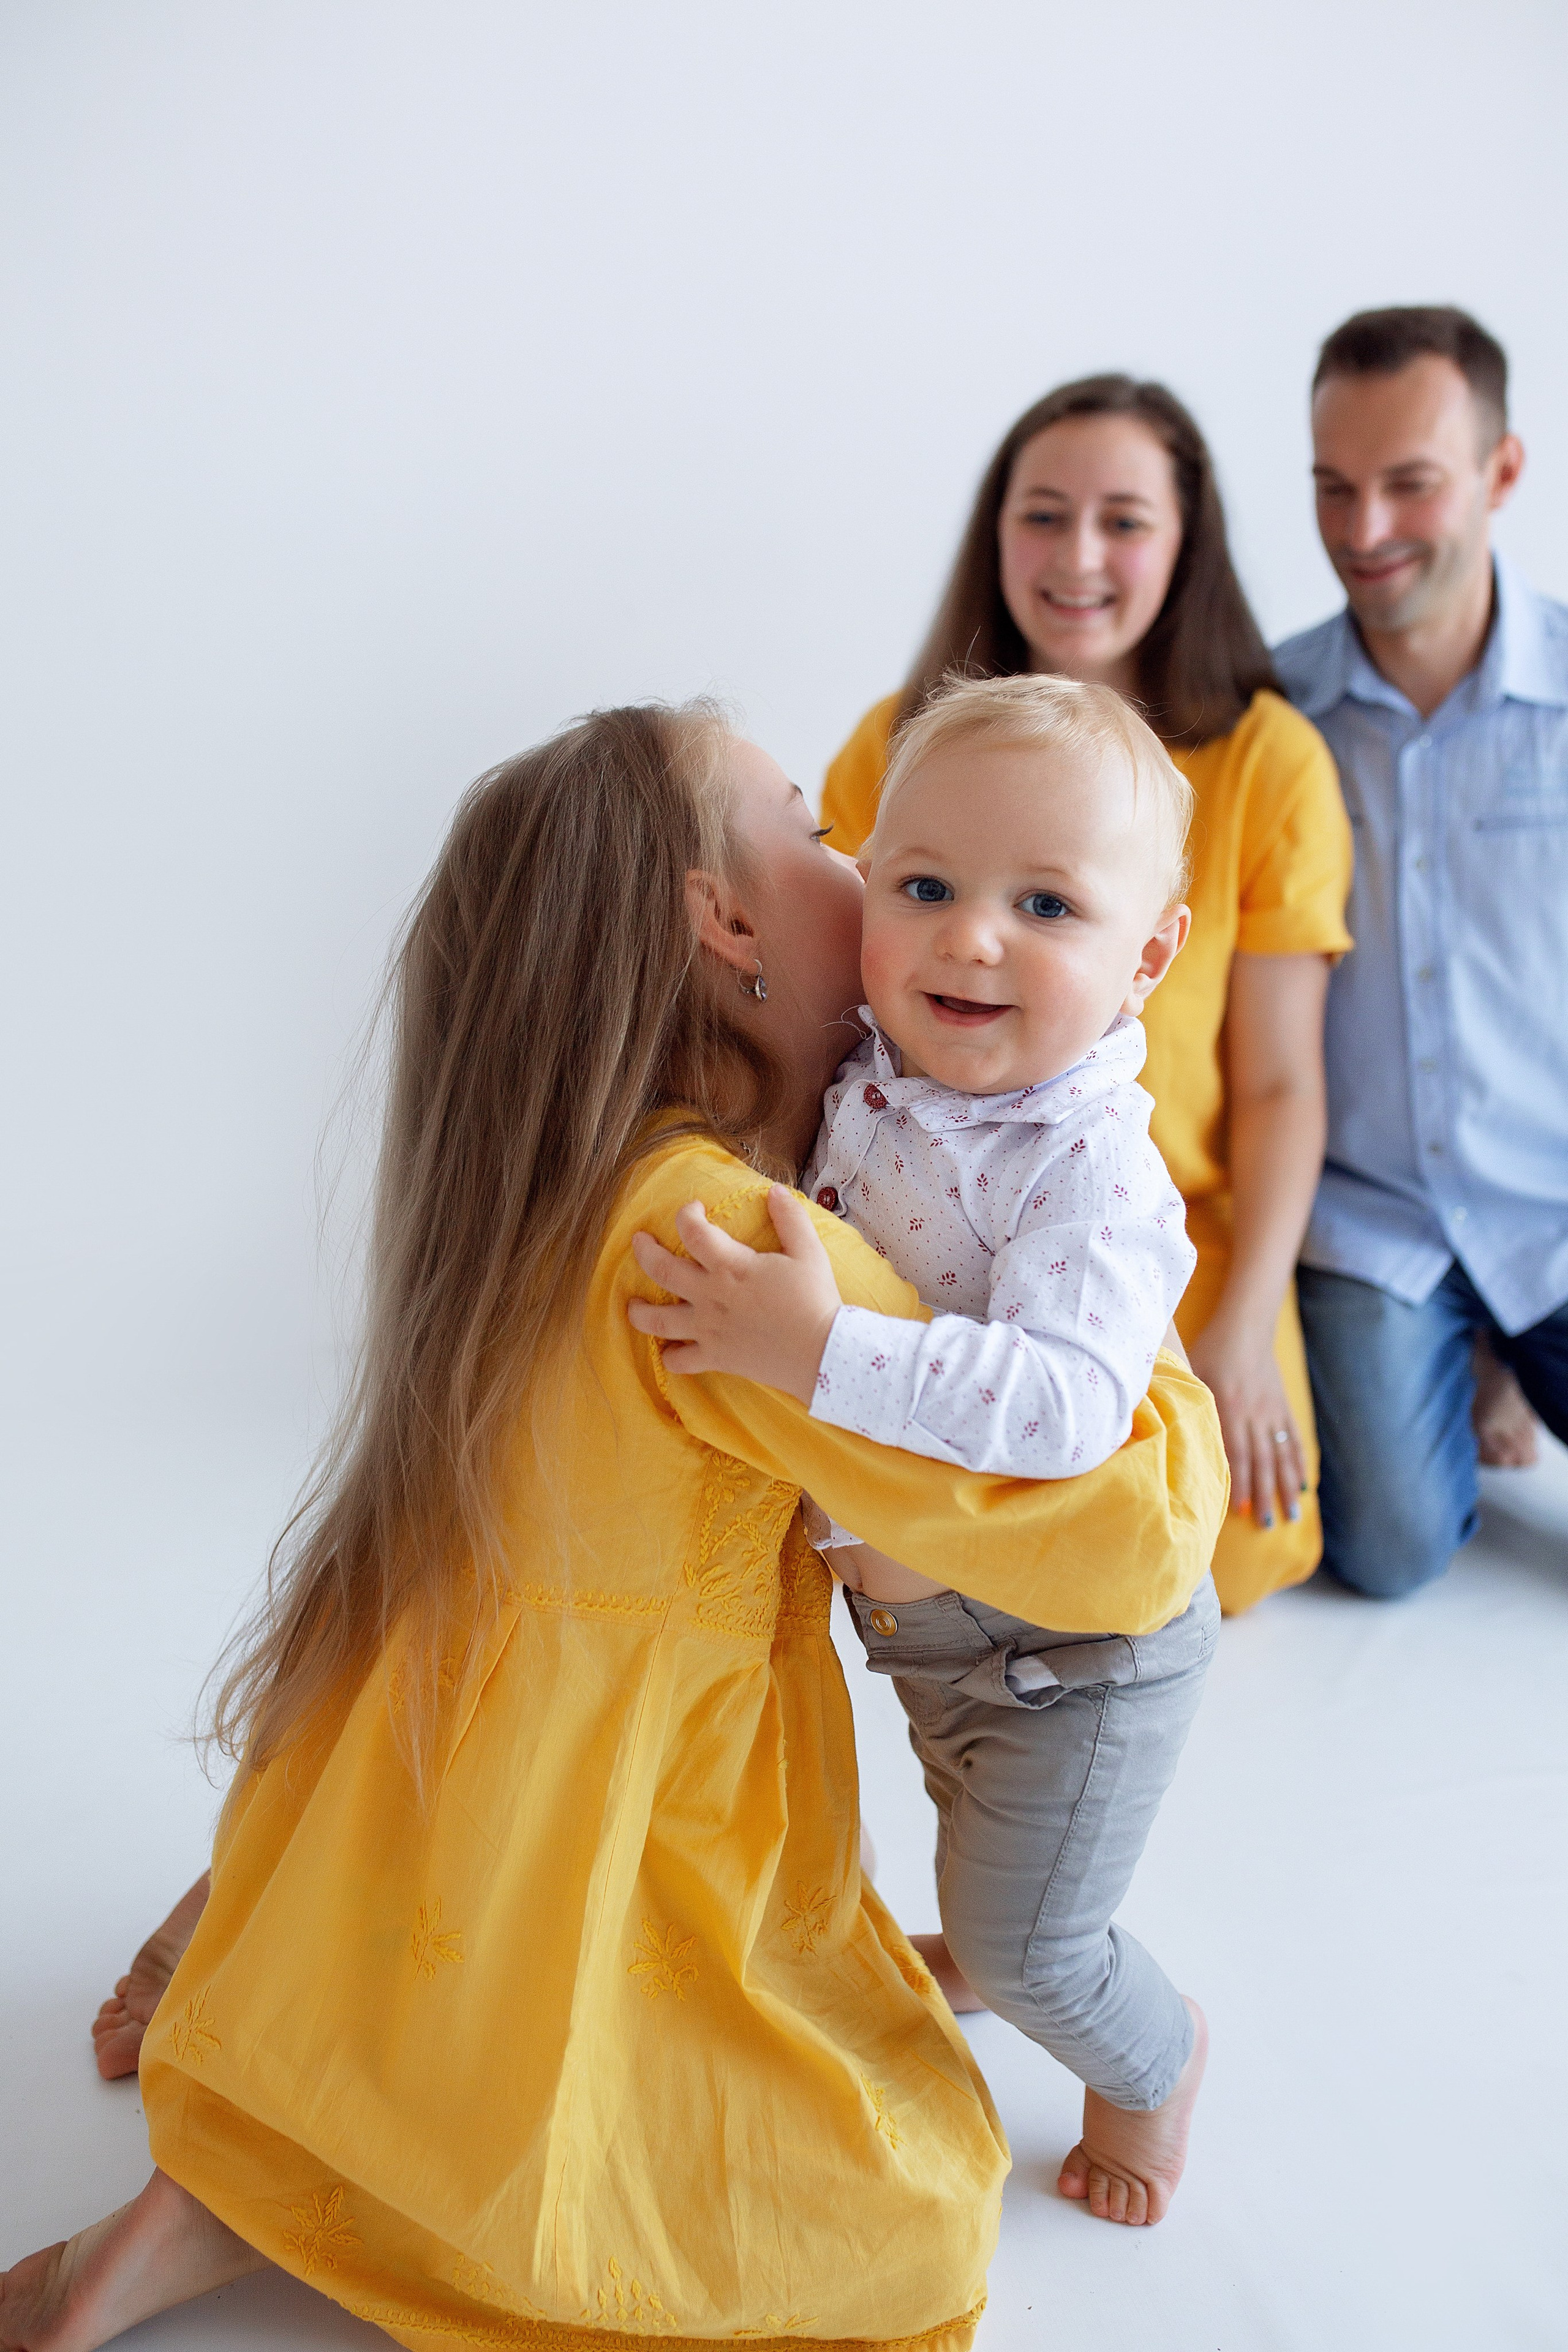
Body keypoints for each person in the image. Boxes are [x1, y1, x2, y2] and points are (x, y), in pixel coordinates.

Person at [2, 704, 1228, 2352]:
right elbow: (1101, 1532)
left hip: (461, 1769)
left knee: (422, 1980)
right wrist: (1180, 1428)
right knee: (907, 2208)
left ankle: (233, 2181)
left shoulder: (573, 1184)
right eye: (813, 822)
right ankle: (306, 2193)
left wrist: (218, 1908)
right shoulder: (730, 1246)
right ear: (720, 920)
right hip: (637, 1808)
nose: (858, 864)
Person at [632, 672, 1216, 2211]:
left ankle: (1148, 2067)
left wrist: (819, 1351)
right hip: (934, 1638)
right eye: (924, 885)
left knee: (1039, 1940)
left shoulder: (1089, 1168)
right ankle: (998, 1925)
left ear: (1145, 956)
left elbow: (1064, 1410)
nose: (969, 935)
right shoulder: (877, 1075)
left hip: (1073, 1654)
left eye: (1044, 904)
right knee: (974, 1845)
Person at [824, 377, 1353, 1616]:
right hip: (923, 1196)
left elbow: (1280, 1081)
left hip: (1149, 1223)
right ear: (994, 533)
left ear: (1183, 544)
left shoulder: (1268, 760)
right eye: (1042, 515)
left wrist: (1242, 1329)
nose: (1077, 557)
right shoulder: (896, 739)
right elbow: (837, 988)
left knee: (1222, 1548)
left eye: (1122, 520)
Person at [1275, 305, 1568, 1599]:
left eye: (1407, 485)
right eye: (1332, 489)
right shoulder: (1269, 713)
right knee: (1385, 1553)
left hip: (1551, 1202)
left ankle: (1502, 1352)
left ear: (1501, 471)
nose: (1362, 532)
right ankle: (1460, 1362)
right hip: (1371, 1217)